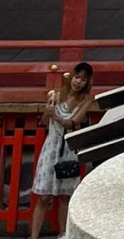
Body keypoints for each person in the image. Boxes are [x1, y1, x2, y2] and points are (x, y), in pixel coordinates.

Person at [30, 62, 96, 237]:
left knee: (64, 197)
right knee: (43, 196)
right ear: (71, 77)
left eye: (83, 79)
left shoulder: (86, 100)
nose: (79, 82)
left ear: (87, 82)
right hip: (51, 147)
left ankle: (63, 234)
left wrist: (56, 116)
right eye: (77, 77)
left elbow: (74, 123)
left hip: (68, 148)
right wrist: (47, 112)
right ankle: (33, 236)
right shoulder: (56, 95)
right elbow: (44, 122)